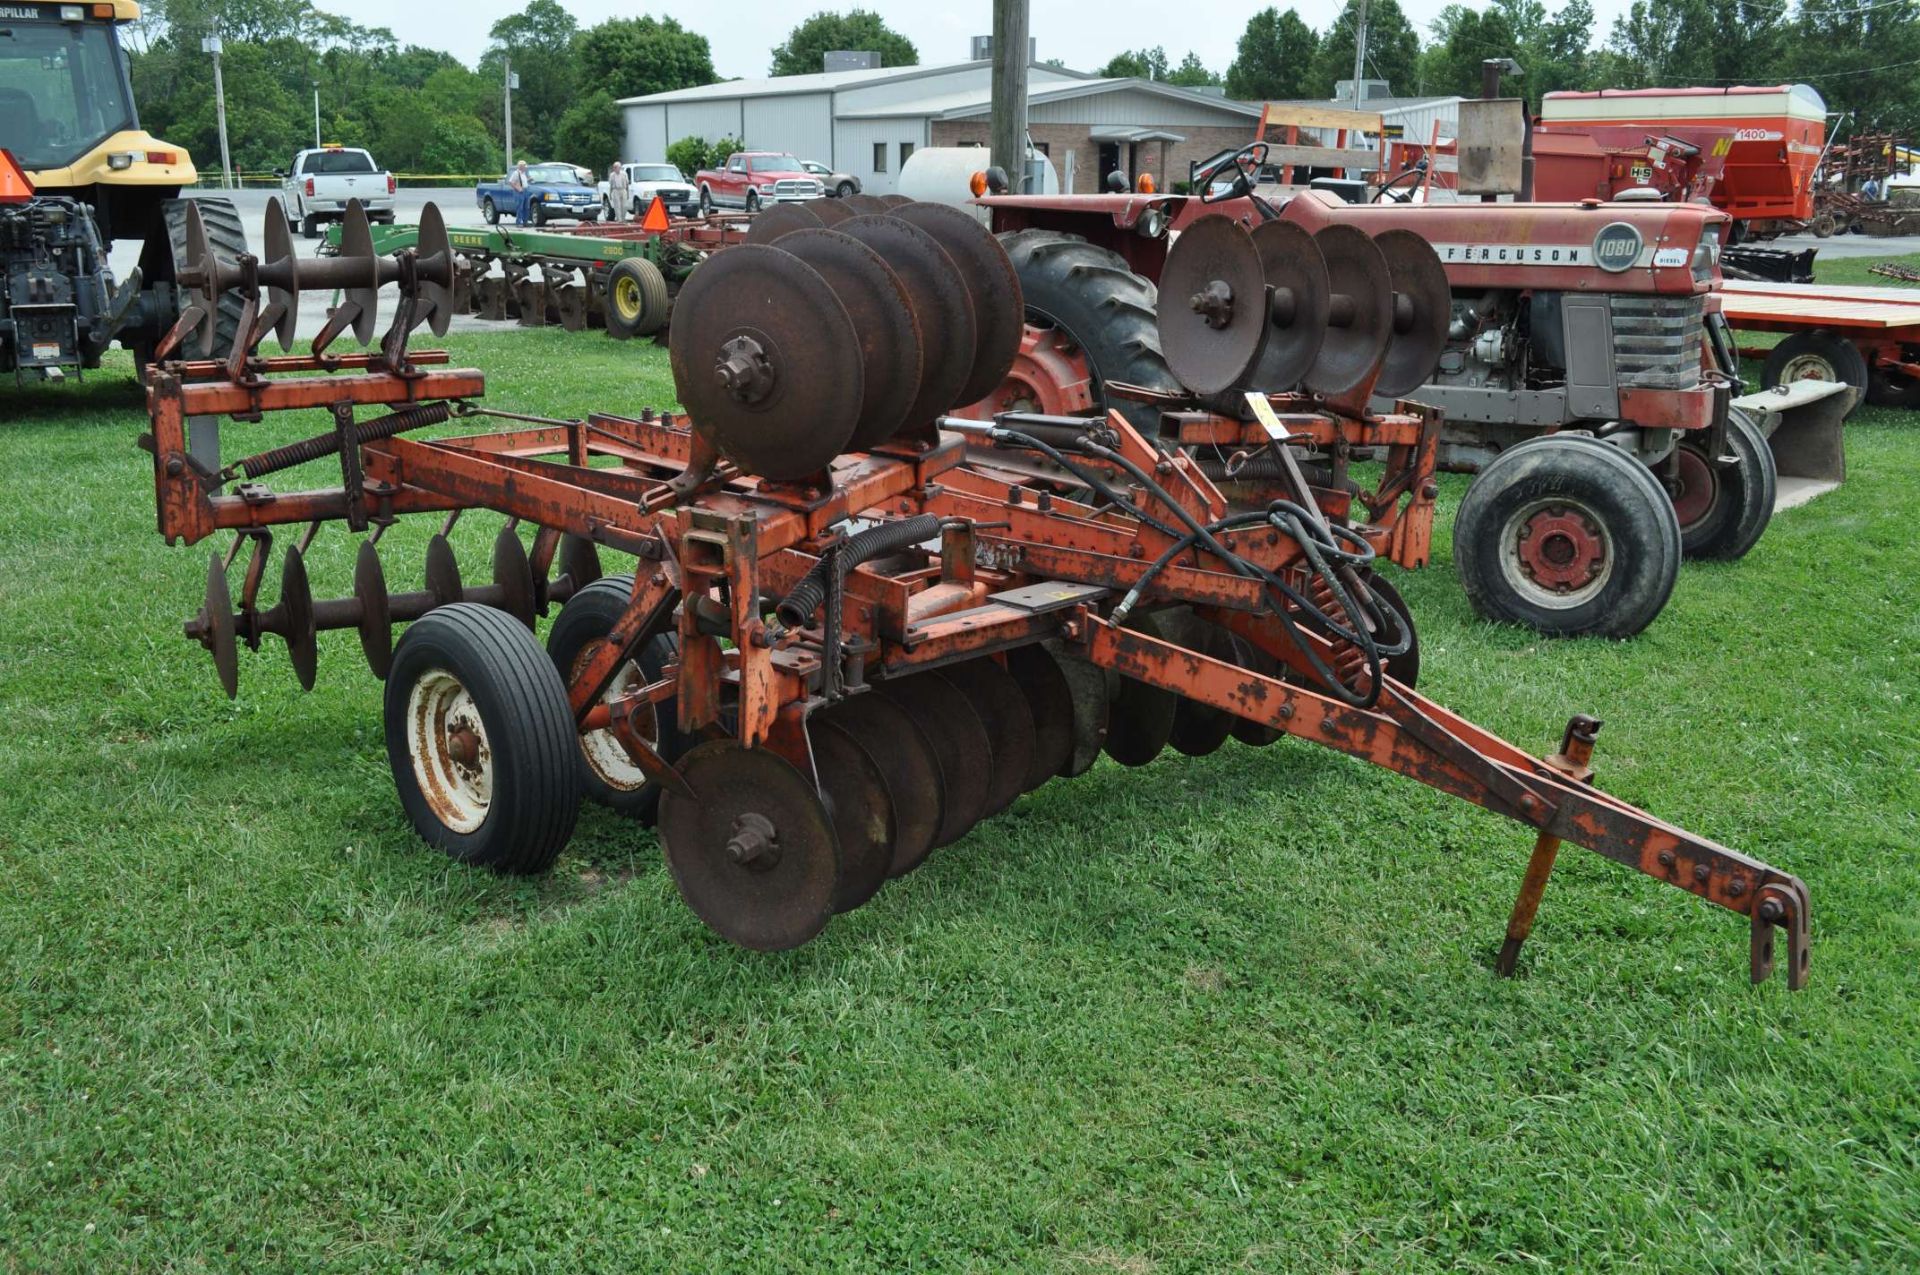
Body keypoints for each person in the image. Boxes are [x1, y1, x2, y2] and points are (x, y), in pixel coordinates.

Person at [508, 160, 531, 226]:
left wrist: (529, 179)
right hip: (519, 192)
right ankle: (519, 222)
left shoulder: (524, 173)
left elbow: (524, 181)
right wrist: (518, 189)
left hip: (526, 190)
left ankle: (525, 222)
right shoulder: (516, 173)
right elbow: (511, 182)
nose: (526, 168)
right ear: (521, 166)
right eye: (524, 166)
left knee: (526, 207)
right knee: (520, 207)